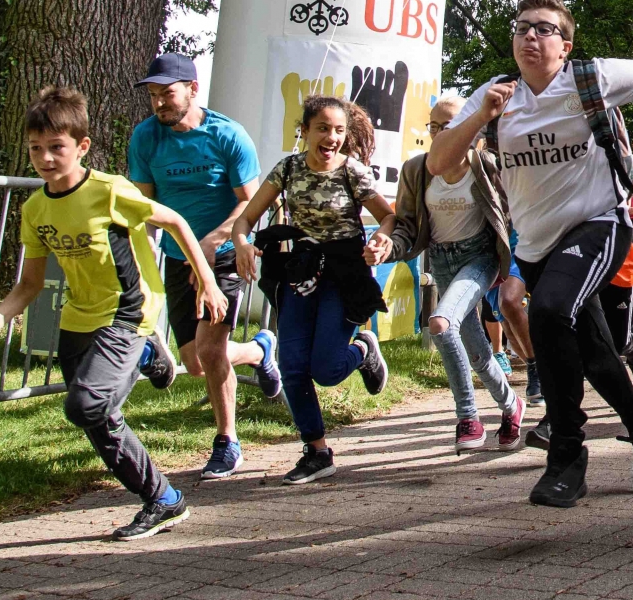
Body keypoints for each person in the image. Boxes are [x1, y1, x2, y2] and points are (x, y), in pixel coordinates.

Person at [432, 0, 633, 509]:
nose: (530, 35)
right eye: (522, 27)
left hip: (600, 223)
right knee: (593, 352)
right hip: (538, 241)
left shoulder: (590, 78)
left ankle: (567, 456)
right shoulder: (496, 95)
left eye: (544, 28)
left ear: (565, 44)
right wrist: (479, 116)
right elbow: (439, 161)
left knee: (549, 311)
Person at [0, 86, 226, 540]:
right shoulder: (34, 209)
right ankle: (163, 499)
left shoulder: (109, 190)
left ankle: (146, 352)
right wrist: (0, 318)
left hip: (127, 311)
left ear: (82, 146)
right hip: (78, 318)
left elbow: (176, 222)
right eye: (36, 149)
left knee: (85, 404)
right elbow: (29, 284)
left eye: (57, 148)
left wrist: (207, 281)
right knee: (98, 418)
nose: (46, 158)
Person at [126, 52, 281, 480]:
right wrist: (140, 265)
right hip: (179, 258)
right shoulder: (145, 138)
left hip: (224, 254)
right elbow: (144, 206)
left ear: (193, 90)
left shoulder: (228, 135)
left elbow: (251, 201)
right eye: (154, 96)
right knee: (194, 363)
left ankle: (228, 442)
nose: (159, 103)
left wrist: (214, 242)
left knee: (211, 351)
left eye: (167, 94)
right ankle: (259, 351)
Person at [230, 95, 395, 485]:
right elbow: (246, 218)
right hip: (300, 273)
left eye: (338, 130)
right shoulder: (287, 169)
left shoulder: (352, 172)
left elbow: (387, 216)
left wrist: (381, 240)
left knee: (327, 369)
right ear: (304, 131)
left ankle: (363, 350)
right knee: (293, 366)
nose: (331, 137)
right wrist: (241, 243)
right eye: (322, 128)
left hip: (343, 273)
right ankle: (317, 451)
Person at [380, 95, 526, 453]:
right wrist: (385, 246)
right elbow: (406, 228)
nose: (440, 133)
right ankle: (511, 405)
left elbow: (518, 213)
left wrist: (520, 265)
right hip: (441, 261)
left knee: (441, 324)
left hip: (479, 258)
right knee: (476, 351)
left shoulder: (489, 165)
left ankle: (467, 417)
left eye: (449, 125)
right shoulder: (417, 170)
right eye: (434, 126)